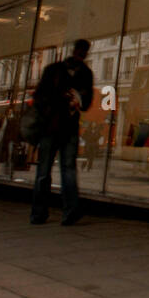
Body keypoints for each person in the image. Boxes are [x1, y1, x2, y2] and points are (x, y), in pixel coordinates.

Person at [30, 39, 94, 226]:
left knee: (65, 169)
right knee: (48, 171)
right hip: (52, 125)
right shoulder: (55, 70)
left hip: (67, 127)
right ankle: (41, 212)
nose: (80, 55)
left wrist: (78, 101)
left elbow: (86, 102)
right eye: (79, 52)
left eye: (83, 53)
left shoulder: (85, 74)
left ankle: (67, 211)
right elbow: (40, 96)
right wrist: (59, 99)